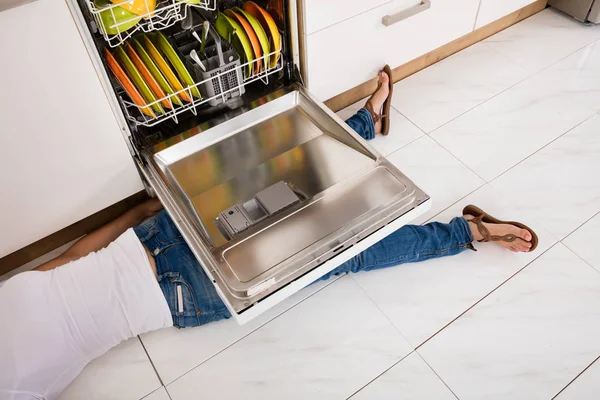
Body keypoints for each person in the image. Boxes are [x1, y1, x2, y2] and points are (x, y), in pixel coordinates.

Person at [0, 66, 538, 400]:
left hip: (155, 238)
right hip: (180, 290)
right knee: (333, 245)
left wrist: (140, 214)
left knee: (274, 183)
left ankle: (373, 135)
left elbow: (68, 259)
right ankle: (463, 230)